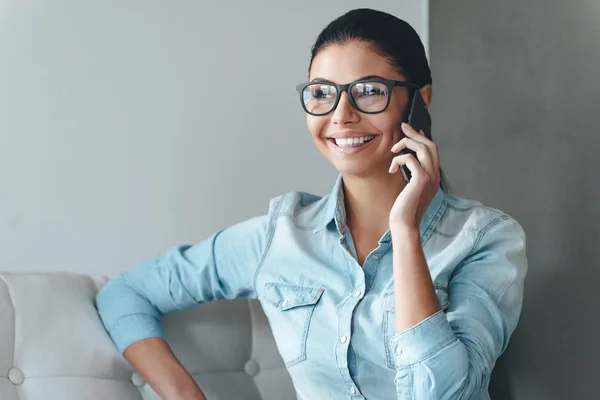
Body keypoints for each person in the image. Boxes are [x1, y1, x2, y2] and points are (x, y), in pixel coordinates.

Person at [96, 8, 527, 400]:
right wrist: (184, 394)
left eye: (368, 91)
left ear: (419, 100)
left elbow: (444, 395)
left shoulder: (486, 239)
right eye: (322, 93)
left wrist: (406, 231)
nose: (341, 115)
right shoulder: (280, 235)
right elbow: (125, 293)